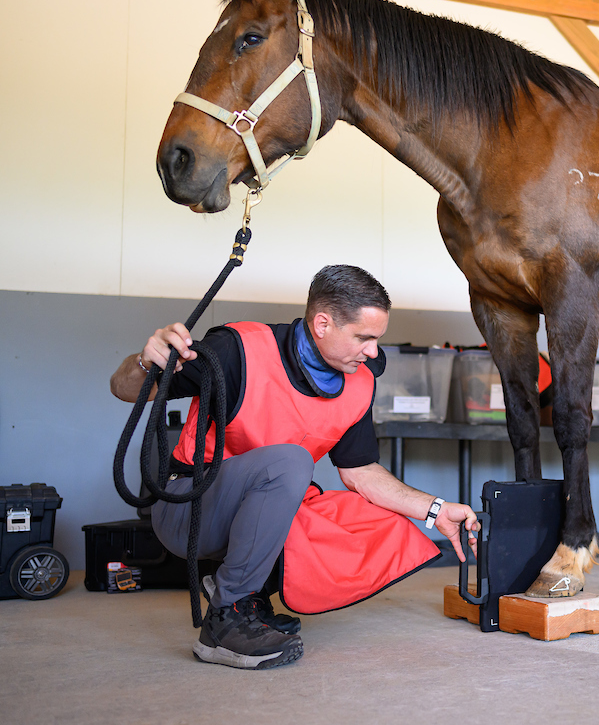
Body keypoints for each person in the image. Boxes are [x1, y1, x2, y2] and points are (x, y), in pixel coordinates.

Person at [111, 264, 480, 670]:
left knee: (371, 521)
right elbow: (125, 390)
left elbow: (361, 472)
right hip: (189, 509)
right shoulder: (239, 351)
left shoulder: (358, 381)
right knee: (292, 461)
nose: (374, 351)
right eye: (364, 337)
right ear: (322, 323)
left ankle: (245, 593)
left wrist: (434, 509)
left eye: (377, 339)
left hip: (261, 509)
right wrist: (147, 362)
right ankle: (225, 621)